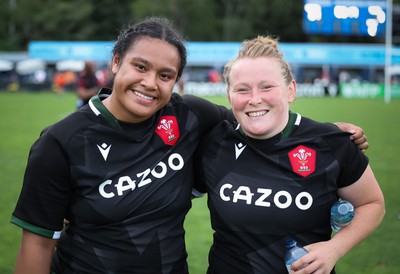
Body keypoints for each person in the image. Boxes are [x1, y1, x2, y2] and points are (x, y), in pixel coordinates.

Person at [11, 17, 369, 274]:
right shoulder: (60, 143)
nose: (150, 83)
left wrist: (321, 133)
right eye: (140, 66)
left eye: (165, 75)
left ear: (176, 82)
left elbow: (255, 114)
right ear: (116, 62)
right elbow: (38, 245)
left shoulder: (189, 115)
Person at [193, 35, 385, 274]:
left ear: (291, 90)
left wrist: (335, 248)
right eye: (242, 90)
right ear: (230, 95)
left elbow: (371, 203)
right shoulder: (214, 143)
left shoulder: (331, 143)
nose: (255, 99)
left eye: (267, 87)